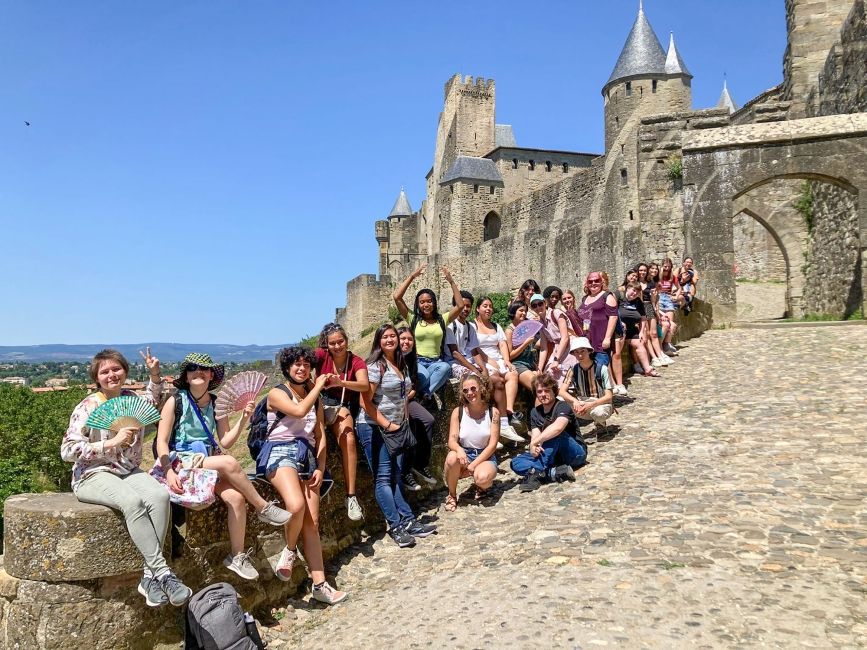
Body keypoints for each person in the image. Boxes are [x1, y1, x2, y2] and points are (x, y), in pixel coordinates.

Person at [61, 348, 192, 607]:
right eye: (105, 371)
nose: (112, 375)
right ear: (97, 378)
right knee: (133, 503)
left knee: (160, 495)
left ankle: (148, 577)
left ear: (125, 371)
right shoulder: (88, 406)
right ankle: (162, 573)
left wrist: (155, 374)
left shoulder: (131, 398)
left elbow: (153, 400)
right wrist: (109, 444)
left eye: (116, 369)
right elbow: (67, 450)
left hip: (127, 470)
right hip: (92, 473)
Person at [156, 353, 291, 581]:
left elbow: (225, 440)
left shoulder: (217, 403)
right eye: (192, 368)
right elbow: (161, 440)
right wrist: (168, 470)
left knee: (236, 499)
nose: (198, 372)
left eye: (203, 369)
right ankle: (262, 507)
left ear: (211, 375)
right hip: (182, 462)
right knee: (228, 461)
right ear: (186, 376)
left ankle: (237, 556)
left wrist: (244, 419)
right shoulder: (175, 401)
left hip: (206, 461)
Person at [261, 347, 347, 604]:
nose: (301, 369)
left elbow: (319, 436)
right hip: (279, 451)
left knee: (313, 522)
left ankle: (320, 585)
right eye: (296, 365)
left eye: (306, 365)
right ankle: (289, 551)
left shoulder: (315, 399)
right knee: (296, 505)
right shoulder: (277, 393)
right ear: (287, 368)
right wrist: (318, 387)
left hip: (307, 456)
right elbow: (298, 412)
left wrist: (320, 467)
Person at [357, 324, 437, 547]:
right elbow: (364, 402)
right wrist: (386, 424)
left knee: (396, 474)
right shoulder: (374, 366)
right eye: (386, 337)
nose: (391, 340)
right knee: (383, 477)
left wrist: (399, 423)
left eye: (393, 336)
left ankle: (409, 521)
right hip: (374, 427)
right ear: (378, 341)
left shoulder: (399, 362)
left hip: (395, 427)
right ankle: (396, 526)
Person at [314, 322, 368, 522]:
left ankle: (351, 496)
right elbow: (301, 361)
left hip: (343, 404)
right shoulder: (322, 356)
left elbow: (363, 384)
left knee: (349, 438)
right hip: (322, 401)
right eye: (333, 343)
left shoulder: (355, 361)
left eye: (340, 342)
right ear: (326, 345)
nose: (337, 346)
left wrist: (341, 382)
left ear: (347, 341)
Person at [393, 264, 464, 408]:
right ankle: (426, 395)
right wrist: (413, 276)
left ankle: (424, 394)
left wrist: (451, 281)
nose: (426, 304)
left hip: (436, 362)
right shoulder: (413, 319)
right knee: (422, 376)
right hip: (418, 361)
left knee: (445, 368)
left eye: (429, 301)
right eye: (422, 302)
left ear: (434, 303)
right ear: (418, 304)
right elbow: (397, 297)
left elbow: (460, 306)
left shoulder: (442, 320)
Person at [511, 373, 586, 492]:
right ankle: (553, 473)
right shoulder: (535, 412)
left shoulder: (563, 406)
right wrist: (533, 448)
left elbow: (558, 428)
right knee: (516, 462)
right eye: (539, 391)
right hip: (553, 457)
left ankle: (535, 473)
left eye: (547, 390)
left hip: (574, 453)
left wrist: (535, 442)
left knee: (552, 432)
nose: (543, 394)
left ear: (554, 391)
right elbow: (535, 436)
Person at [443, 373, 500, 511]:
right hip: (465, 453)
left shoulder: (493, 412)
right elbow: (452, 440)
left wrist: (473, 465)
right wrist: (459, 450)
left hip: (484, 455)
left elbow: (493, 444)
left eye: (473, 388)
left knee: (483, 478)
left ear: (481, 389)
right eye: (465, 390)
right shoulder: (458, 412)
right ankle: (452, 495)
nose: (470, 393)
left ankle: (481, 486)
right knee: (451, 457)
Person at [474, 296, 523, 441]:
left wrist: (506, 361)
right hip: (483, 360)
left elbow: (502, 344)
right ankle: (503, 421)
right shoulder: (473, 326)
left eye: (490, 306)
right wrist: (489, 360)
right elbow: (474, 347)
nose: (488, 308)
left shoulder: (496, 326)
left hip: (499, 359)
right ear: (478, 309)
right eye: (485, 306)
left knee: (513, 374)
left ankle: (509, 410)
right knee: (497, 377)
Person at [397, 326, 438, 492]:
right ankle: (405, 471)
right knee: (409, 426)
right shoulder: (390, 359)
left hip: (407, 400)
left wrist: (408, 396)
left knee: (428, 420)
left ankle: (421, 464)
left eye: (409, 339)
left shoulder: (411, 360)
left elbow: (414, 385)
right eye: (403, 339)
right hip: (392, 403)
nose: (406, 342)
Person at [559, 337, 614, 445]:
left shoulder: (601, 369)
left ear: (589, 351)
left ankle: (600, 424)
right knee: (559, 401)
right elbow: (561, 391)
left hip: (599, 403)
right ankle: (568, 430)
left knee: (599, 413)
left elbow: (609, 396)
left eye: (583, 351)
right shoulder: (573, 369)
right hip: (581, 402)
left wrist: (590, 405)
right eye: (576, 352)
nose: (580, 355)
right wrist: (574, 401)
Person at [576, 272, 618, 374]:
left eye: (596, 281)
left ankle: (607, 389)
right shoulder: (585, 298)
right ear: (587, 283)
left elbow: (613, 317)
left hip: (600, 343)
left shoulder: (607, 296)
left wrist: (607, 338)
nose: (593, 283)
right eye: (590, 281)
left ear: (601, 282)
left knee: (599, 372)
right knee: (590, 372)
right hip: (587, 344)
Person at [618, 281, 660, 379]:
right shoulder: (620, 297)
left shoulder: (650, 286)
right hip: (623, 328)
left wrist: (642, 331)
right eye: (633, 290)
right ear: (627, 288)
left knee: (651, 335)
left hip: (649, 308)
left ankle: (656, 358)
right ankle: (644, 362)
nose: (635, 293)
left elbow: (653, 307)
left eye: (637, 292)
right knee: (651, 335)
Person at [445, 290, 487, 381]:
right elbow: (455, 353)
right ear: (455, 306)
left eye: (468, 306)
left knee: (494, 378)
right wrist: (475, 370)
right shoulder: (450, 326)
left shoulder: (470, 327)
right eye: (462, 306)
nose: (465, 309)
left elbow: (474, 352)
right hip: (453, 363)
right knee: (474, 379)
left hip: (468, 362)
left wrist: (484, 370)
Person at [610, 269, 640, 396]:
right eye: (632, 275)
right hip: (621, 326)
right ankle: (641, 366)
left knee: (651, 335)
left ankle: (645, 365)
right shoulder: (619, 293)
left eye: (636, 276)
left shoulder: (643, 291)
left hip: (636, 326)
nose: (634, 277)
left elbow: (648, 308)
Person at [538, 288, 575, 386]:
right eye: (534, 305)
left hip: (570, 347)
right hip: (558, 348)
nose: (538, 307)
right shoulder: (540, 323)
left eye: (540, 304)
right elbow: (543, 348)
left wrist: (556, 360)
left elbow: (565, 338)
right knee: (549, 376)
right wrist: (539, 369)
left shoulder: (557, 313)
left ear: (544, 303)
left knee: (565, 378)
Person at [637, 263, 669, 368]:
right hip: (640, 308)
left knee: (654, 333)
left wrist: (656, 310)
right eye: (641, 270)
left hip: (649, 307)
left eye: (644, 271)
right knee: (646, 334)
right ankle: (654, 357)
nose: (643, 272)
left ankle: (660, 355)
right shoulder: (635, 282)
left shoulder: (650, 282)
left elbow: (654, 299)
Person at [505, 301, 539, 393]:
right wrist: (525, 343)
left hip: (531, 364)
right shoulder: (509, 331)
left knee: (544, 385)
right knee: (538, 387)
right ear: (513, 311)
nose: (524, 313)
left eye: (525, 311)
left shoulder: (526, 327)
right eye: (521, 310)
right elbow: (510, 355)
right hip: (518, 365)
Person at [656, 258, 681, 358]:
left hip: (668, 299)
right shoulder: (658, 276)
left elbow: (679, 288)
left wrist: (675, 296)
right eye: (665, 267)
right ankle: (662, 346)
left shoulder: (672, 277)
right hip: (660, 298)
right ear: (662, 266)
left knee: (670, 325)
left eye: (669, 267)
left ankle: (666, 344)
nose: (667, 269)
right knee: (665, 324)